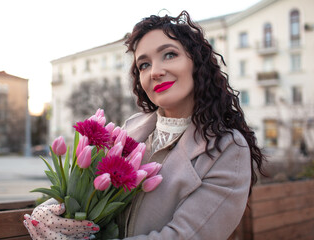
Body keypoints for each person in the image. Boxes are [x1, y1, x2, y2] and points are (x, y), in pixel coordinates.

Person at [24, 10, 266, 239]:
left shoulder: (227, 149)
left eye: (169, 54)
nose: (155, 71)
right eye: (144, 64)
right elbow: (83, 189)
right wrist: (45, 212)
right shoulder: (130, 129)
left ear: (197, 63)